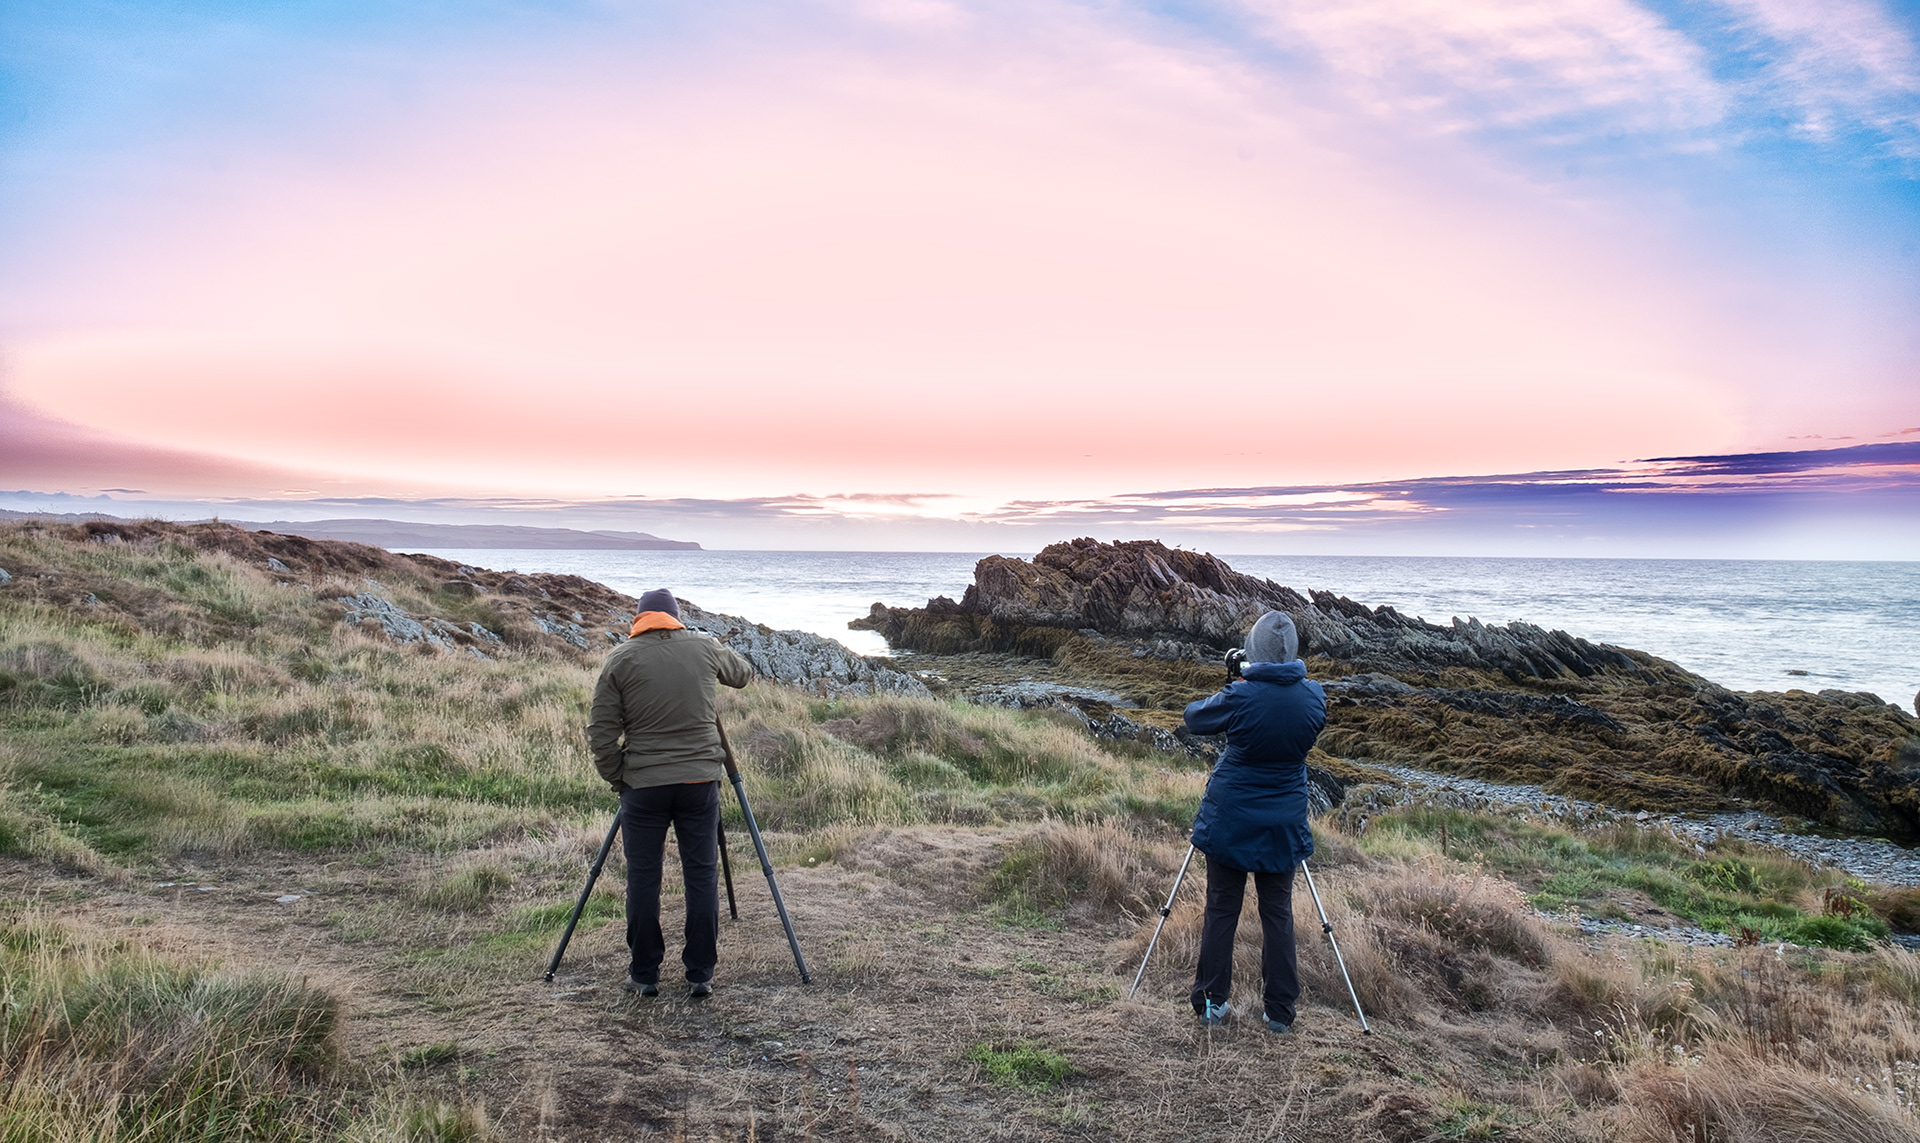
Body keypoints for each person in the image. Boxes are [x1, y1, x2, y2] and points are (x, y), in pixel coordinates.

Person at [588, 588, 754, 999]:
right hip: (700, 781)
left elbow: (601, 732)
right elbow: (743, 675)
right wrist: (708, 648)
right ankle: (700, 972)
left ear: (639, 619)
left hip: (643, 786)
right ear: (676, 618)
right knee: (702, 874)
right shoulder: (703, 646)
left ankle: (644, 973)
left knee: (643, 876)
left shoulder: (620, 659)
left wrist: (619, 777)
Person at [1183, 610, 1326, 1032]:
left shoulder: (1241, 696)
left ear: (1253, 650)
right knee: (1277, 911)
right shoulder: (1314, 696)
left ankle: (1212, 1003)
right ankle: (1279, 1012)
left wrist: (1237, 681)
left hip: (1230, 817)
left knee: (1221, 907)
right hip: (1284, 819)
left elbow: (1195, 718)